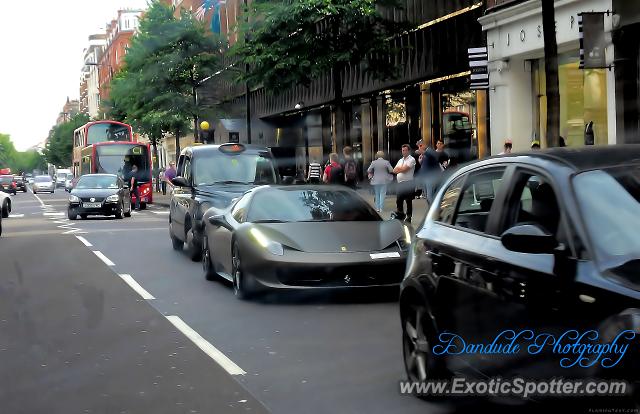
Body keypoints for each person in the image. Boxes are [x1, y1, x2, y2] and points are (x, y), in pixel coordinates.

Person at [393, 144, 416, 223]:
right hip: (400, 184)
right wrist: (400, 169)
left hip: (408, 183)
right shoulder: (400, 160)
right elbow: (394, 170)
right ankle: (400, 215)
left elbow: (405, 169)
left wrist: (400, 169)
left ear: (408, 151)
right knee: (399, 200)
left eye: (405, 150)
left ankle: (409, 217)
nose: (404, 152)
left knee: (408, 201)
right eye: (403, 150)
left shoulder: (411, 159)